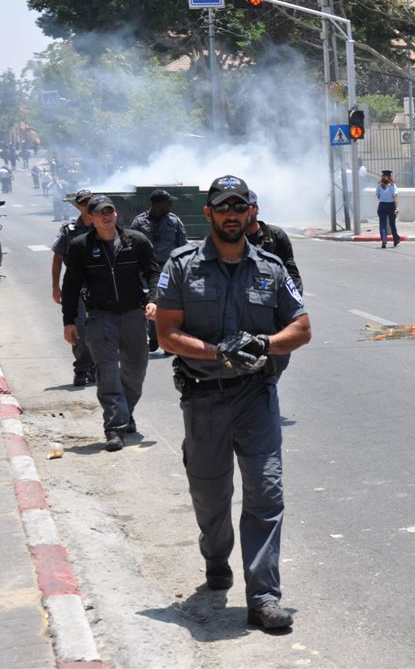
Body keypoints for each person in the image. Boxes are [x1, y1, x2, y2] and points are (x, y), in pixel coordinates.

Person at [154, 175, 310, 630]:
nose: (232, 214)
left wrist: (265, 343)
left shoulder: (271, 268)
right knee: (210, 494)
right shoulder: (181, 266)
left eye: (239, 206)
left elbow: (301, 328)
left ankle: (263, 595)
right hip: (203, 399)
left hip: (256, 397)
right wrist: (217, 351)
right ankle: (215, 557)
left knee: (266, 491)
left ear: (250, 213)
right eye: (223, 207)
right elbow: (166, 333)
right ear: (209, 214)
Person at [61, 196, 159, 451]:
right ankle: (114, 428)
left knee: (135, 371)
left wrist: (153, 299)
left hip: (134, 315)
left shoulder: (135, 241)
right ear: (90, 218)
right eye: (100, 213)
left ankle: (126, 412)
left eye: (110, 211)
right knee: (107, 371)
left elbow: (153, 272)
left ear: (116, 214)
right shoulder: (80, 246)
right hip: (100, 317)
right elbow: (70, 285)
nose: (106, 216)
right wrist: (69, 321)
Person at [130, 189, 188, 352]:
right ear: (157, 204)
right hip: (147, 270)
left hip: (168, 268)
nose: (171, 205)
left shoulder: (175, 221)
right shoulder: (139, 222)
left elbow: (183, 246)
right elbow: (132, 246)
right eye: (168, 202)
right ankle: (155, 336)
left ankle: (167, 338)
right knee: (151, 301)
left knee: (169, 303)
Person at [52, 189, 97, 386]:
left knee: (101, 328)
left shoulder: (104, 226)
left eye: (90, 201)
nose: (87, 205)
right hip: (76, 286)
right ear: (78, 206)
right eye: (83, 202)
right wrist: (55, 286)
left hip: (101, 285)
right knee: (79, 329)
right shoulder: (69, 230)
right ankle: (82, 369)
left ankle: (97, 368)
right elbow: (58, 258)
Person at [245, 190, 303, 291]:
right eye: (240, 208)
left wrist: (295, 300)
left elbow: (291, 272)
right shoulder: (232, 239)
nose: (245, 212)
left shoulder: (276, 235)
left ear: (256, 209)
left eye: (248, 207)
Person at [375, 169, 400, 248]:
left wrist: (383, 198)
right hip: (391, 206)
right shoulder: (393, 185)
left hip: (382, 205)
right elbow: (395, 196)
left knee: (382, 224)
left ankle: (384, 240)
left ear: (382, 176)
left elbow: (378, 196)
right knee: (392, 224)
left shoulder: (379, 185)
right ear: (390, 176)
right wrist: (397, 207)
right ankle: (395, 239)